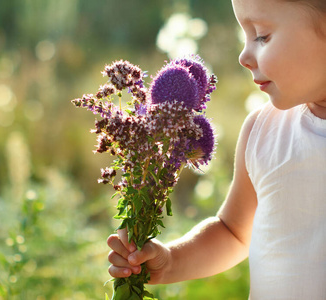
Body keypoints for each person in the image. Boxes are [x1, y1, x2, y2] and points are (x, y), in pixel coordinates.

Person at [106, 0, 326, 298]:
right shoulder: (263, 132)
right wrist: (170, 262)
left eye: (261, 36)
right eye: (244, 36)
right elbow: (233, 232)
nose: (244, 56)